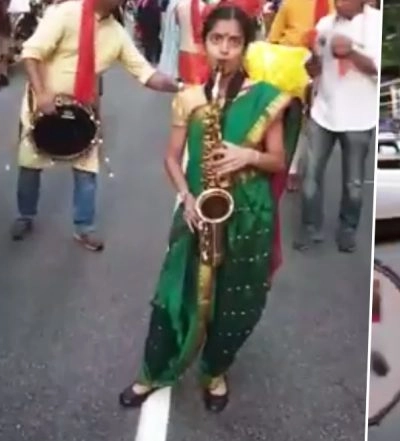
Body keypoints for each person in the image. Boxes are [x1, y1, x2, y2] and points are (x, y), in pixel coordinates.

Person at [118, 3, 301, 412]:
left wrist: (246, 156)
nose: (225, 49)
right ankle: (152, 372)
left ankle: (215, 371)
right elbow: (171, 158)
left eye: (235, 41)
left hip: (249, 214)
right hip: (199, 209)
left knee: (236, 299)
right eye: (217, 39)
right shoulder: (189, 98)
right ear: (204, 43)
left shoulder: (265, 99)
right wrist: (185, 197)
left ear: (246, 46)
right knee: (173, 292)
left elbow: (278, 161)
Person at [12, 0, 180, 248]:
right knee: (29, 166)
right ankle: (25, 215)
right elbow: (31, 53)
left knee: (87, 171)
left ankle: (84, 228)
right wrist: (42, 94)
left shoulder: (116, 34)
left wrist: (184, 87)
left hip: (82, 114)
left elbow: (147, 75)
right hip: (43, 109)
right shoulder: (66, 13)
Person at [293, 0, 379, 253]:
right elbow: (314, 69)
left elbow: (378, 70)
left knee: (353, 183)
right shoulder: (325, 24)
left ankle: (347, 230)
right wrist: (313, 60)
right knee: (310, 175)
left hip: (360, 117)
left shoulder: (375, 24)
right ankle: (310, 229)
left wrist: (351, 53)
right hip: (324, 112)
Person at [267, 0, 334, 191]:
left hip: (320, 65)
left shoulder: (334, 5)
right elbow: (273, 39)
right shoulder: (290, 4)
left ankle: (295, 167)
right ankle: (286, 164)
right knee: (287, 116)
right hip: (289, 68)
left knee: (310, 118)